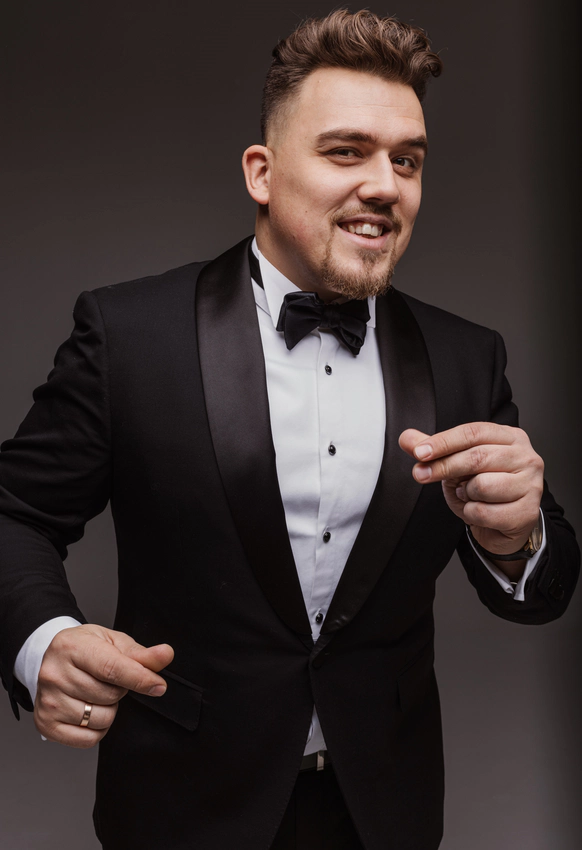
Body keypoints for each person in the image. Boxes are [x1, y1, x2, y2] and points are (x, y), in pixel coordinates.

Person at [0, 9, 578, 850]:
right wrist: (43, 641)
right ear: (262, 174)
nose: (385, 185)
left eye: (406, 160)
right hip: (181, 812)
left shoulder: (467, 358)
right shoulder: (132, 337)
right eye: (347, 152)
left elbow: (543, 583)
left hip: (385, 813)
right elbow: (14, 513)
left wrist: (518, 538)